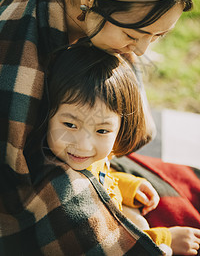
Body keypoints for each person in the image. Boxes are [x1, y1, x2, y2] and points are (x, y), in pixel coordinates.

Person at [0, 0, 197, 254]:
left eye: (158, 36)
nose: (142, 50)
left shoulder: (88, 12)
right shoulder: (16, 51)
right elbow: (18, 180)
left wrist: (119, 185)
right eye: (133, 34)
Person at [45, 44, 200, 255]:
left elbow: (101, 175)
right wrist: (164, 239)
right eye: (70, 125)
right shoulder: (56, 182)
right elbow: (98, 242)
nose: (83, 144)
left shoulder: (85, 155)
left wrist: (126, 187)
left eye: (102, 130)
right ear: (47, 114)